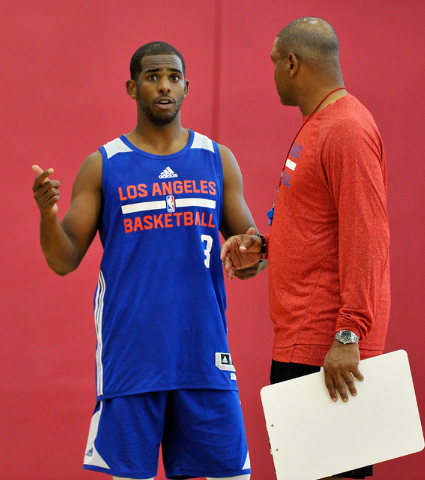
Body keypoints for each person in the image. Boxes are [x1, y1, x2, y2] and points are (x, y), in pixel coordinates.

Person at [32, 41, 265, 480]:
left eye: (173, 78)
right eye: (153, 76)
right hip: (133, 358)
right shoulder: (103, 165)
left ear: (187, 87)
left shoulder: (217, 160)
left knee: (232, 475)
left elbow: (250, 255)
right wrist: (48, 213)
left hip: (205, 355)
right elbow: (63, 260)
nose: (164, 86)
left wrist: (254, 254)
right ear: (131, 87)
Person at [220, 17, 390, 480]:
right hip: (303, 345)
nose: (272, 72)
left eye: (274, 63)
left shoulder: (348, 130)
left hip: (327, 354)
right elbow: (324, 231)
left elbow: (367, 237)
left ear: (292, 63)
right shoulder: (321, 125)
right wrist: (266, 248)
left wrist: (349, 335)